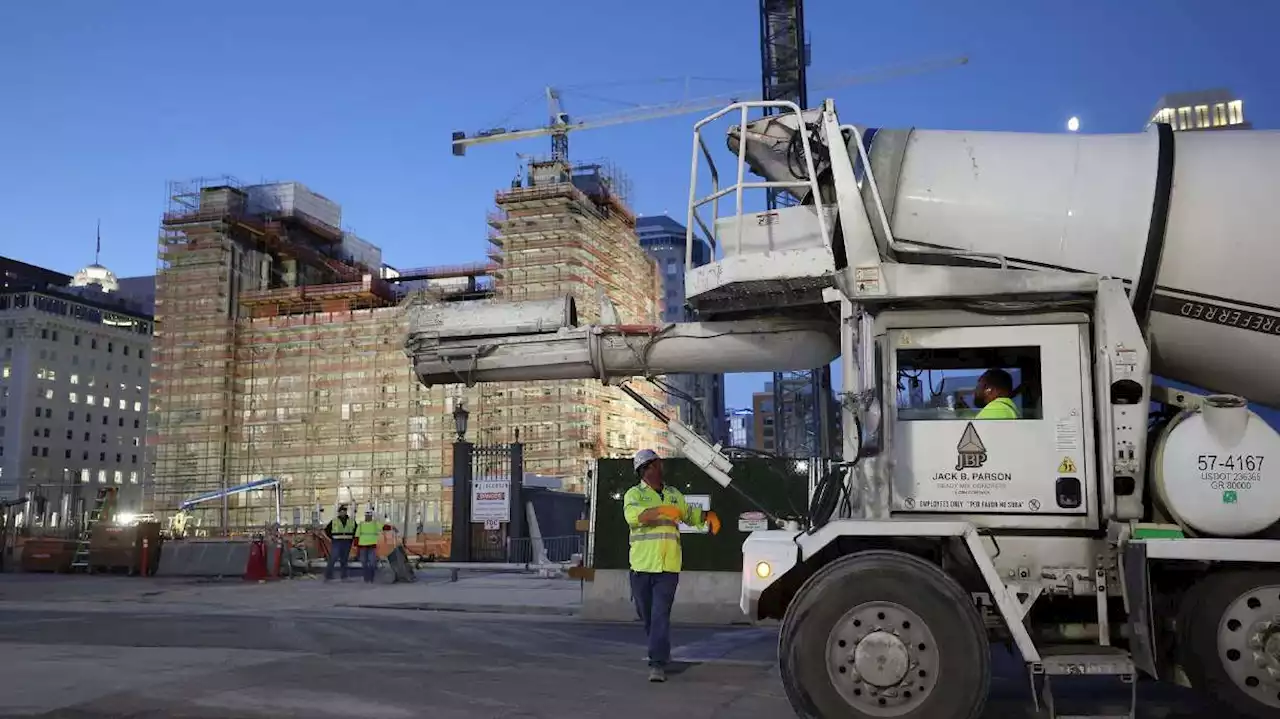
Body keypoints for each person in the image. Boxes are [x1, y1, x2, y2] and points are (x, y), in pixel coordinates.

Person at [623, 449, 721, 683]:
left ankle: (656, 664)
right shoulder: (634, 494)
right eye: (657, 464)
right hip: (642, 567)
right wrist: (660, 511)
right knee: (647, 617)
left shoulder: (674, 494)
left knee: (659, 616)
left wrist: (707, 516)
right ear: (646, 469)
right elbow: (634, 517)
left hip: (668, 568)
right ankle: (661, 652)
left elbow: (688, 515)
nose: (661, 468)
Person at [322, 504, 356, 582]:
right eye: (341, 511)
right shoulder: (334, 521)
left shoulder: (351, 521)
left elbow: (355, 531)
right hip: (337, 542)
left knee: (344, 560)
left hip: (347, 542)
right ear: (339, 512)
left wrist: (352, 540)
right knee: (333, 558)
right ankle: (328, 575)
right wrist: (331, 538)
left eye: (344, 511)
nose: (343, 513)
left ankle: (344, 576)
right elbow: (326, 530)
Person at [355, 508, 383, 583]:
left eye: (369, 515)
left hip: (371, 546)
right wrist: (357, 546)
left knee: (372, 562)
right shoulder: (361, 524)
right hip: (363, 546)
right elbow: (357, 535)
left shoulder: (375, 523)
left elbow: (383, 527)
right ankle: (366, 577)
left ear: (371, 516)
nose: (368, 517)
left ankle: (371, 577)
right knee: (364, 562)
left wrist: (392, 527)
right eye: (367, 515)